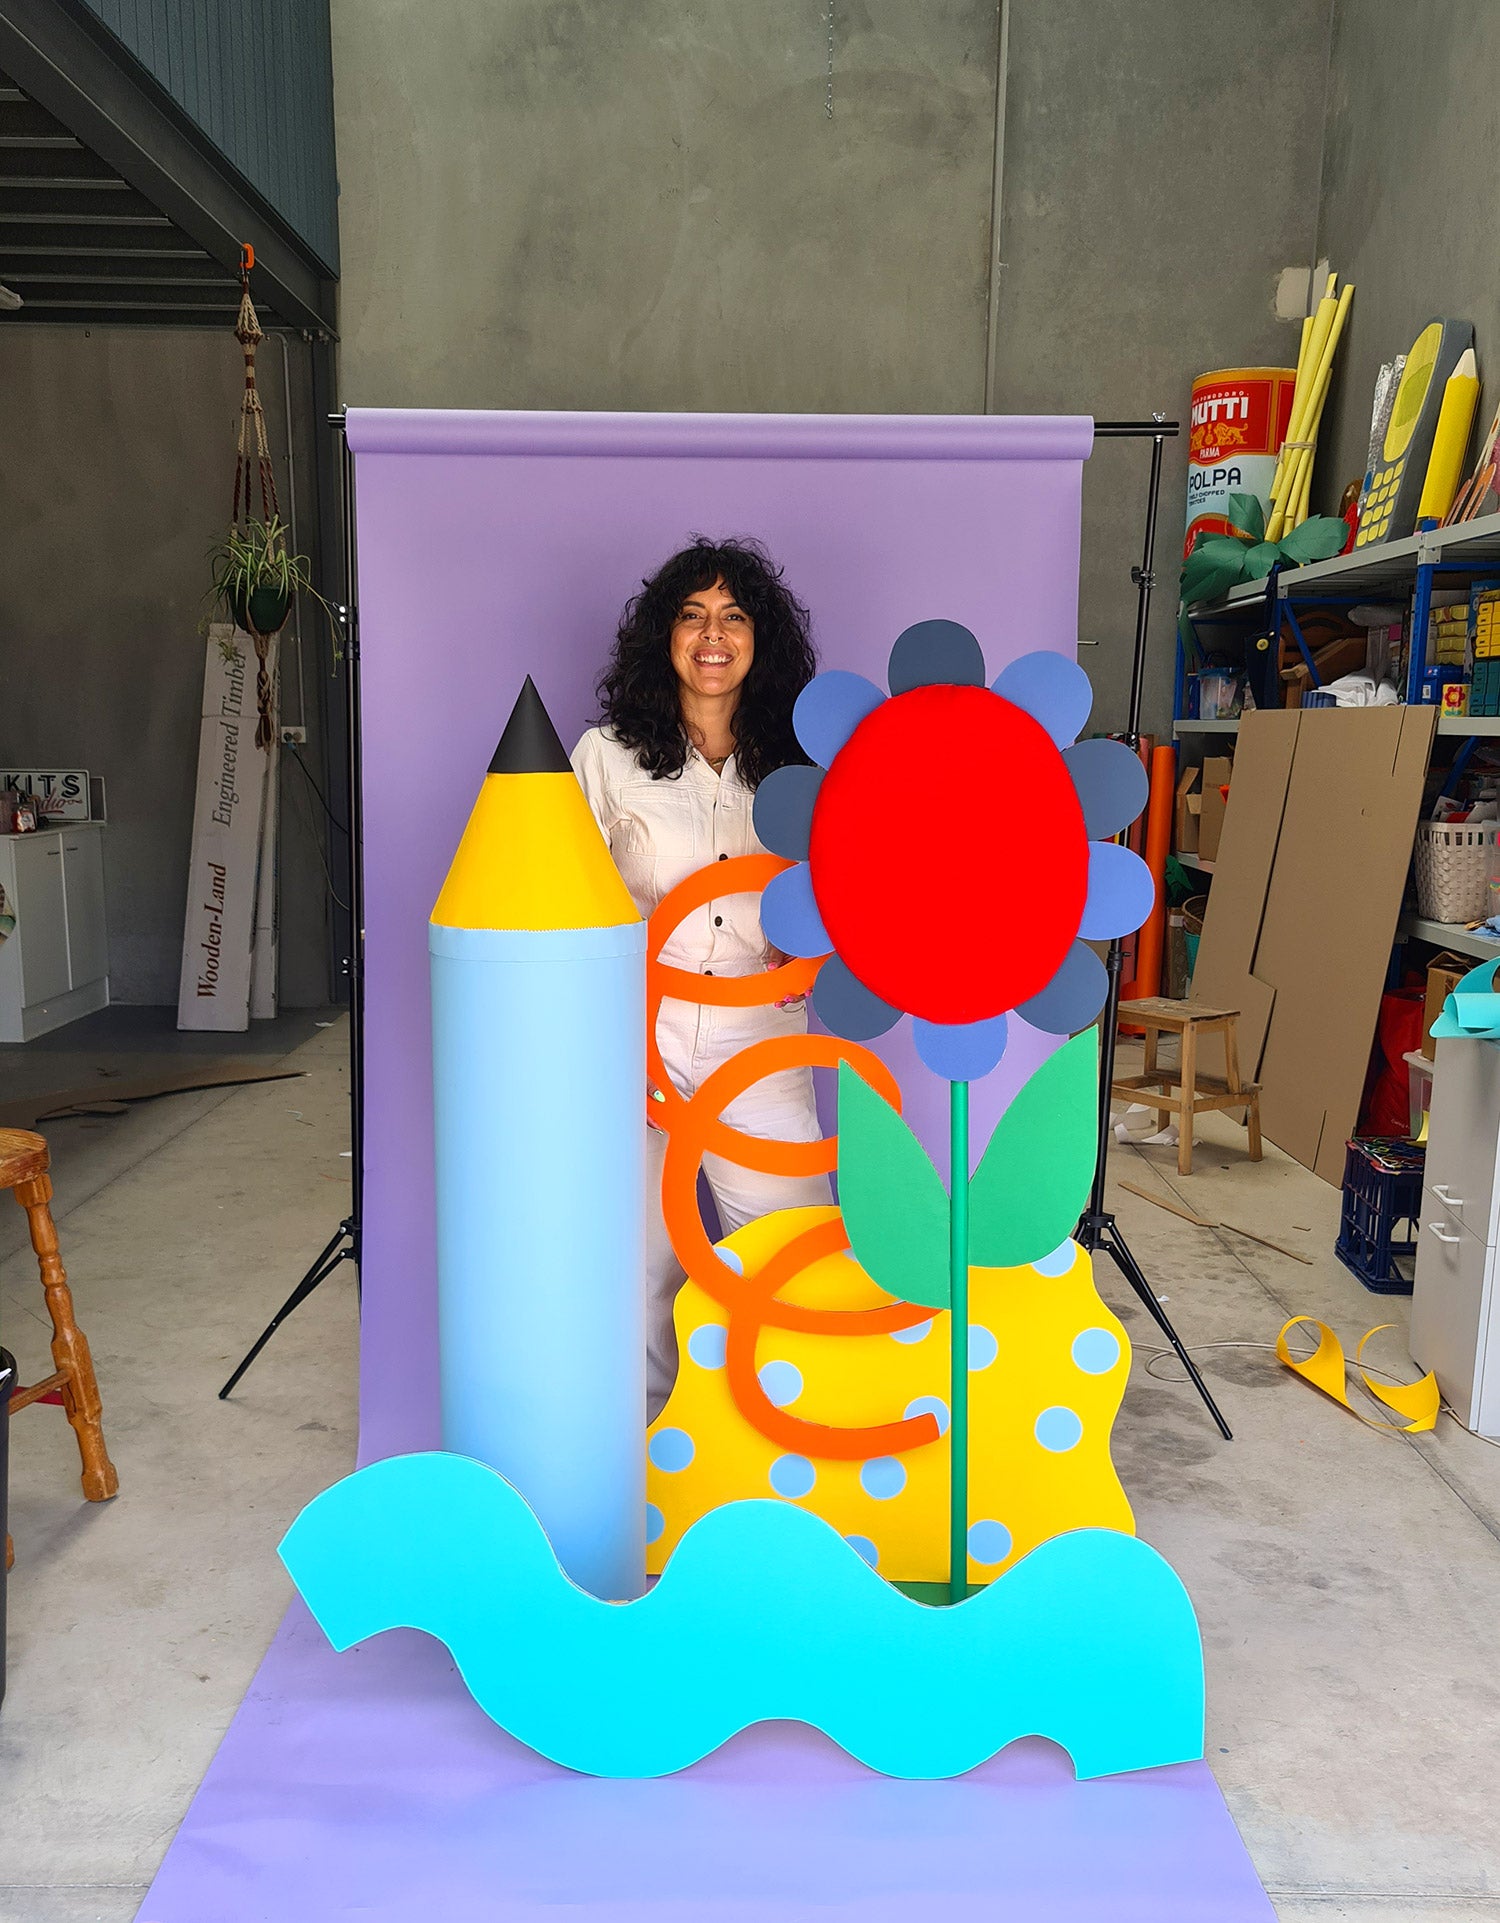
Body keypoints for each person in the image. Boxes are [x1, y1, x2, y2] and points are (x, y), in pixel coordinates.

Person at [572, 538, 829, 1421]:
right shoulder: (605, 756)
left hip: (761, 1040)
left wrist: (811, 952)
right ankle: (644, 1464)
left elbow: (844, 883)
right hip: (641, 1035)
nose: (711, 635)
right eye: (691, 614)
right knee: (642, 1264)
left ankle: (791, 1457)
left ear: (761, 639)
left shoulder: (799, 758)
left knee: (793, 1251)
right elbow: (569, 909)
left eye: (734, 616)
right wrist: (619, 1042)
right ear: (664, 636)